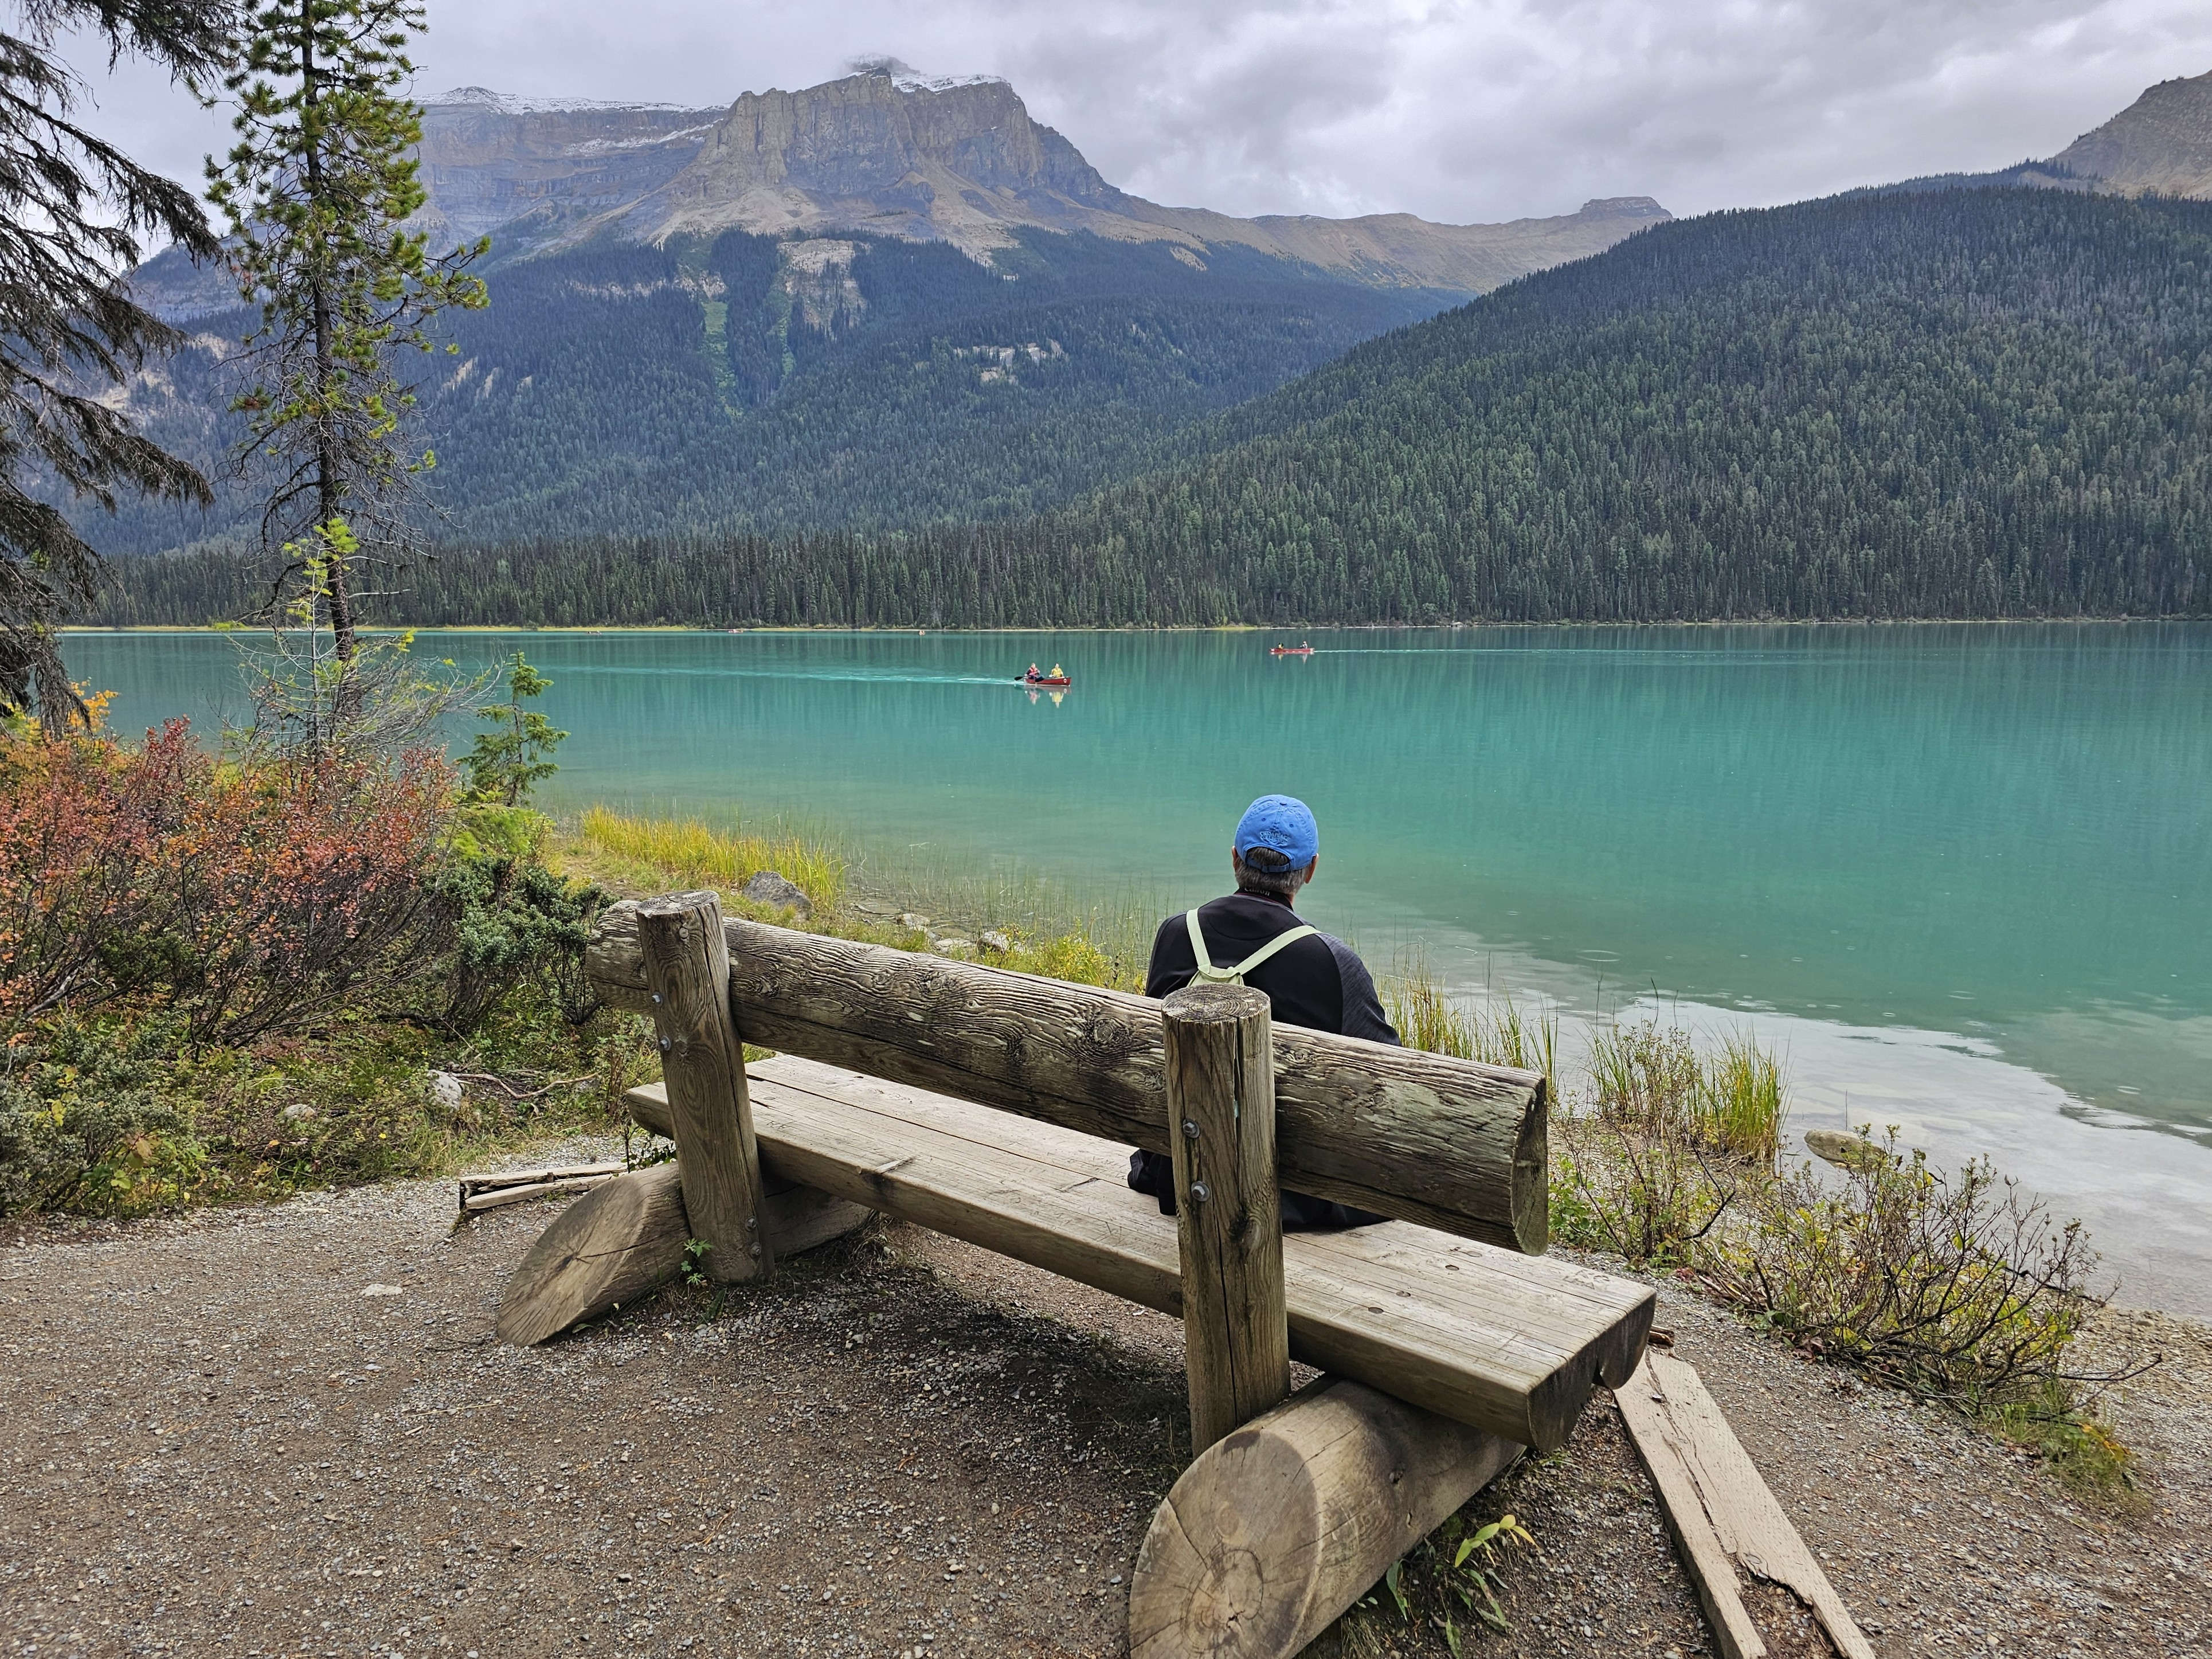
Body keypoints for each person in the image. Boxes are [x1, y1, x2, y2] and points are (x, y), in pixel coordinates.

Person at [1129, 793, 1395, 1230]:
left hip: (1174, 1168)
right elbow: (1385, 1077)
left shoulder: (1176, 933)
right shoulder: (1330, 961)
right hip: (1280, 1190)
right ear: (1309, 870)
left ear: (1234, 858)